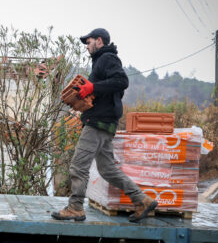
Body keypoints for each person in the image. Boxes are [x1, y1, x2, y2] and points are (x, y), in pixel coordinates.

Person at [51, 28, 158, 223]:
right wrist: (87, 96)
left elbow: (121, 81)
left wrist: (93, 87)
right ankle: (141, 199)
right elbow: (111, 88)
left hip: (98, 123)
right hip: (105, 122)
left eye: (89, 41)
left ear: (99, 41)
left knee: (78, 165)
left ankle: (75, 208)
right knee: (107, 169)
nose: (87, 46)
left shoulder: (107, 58)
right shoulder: (101, 61)